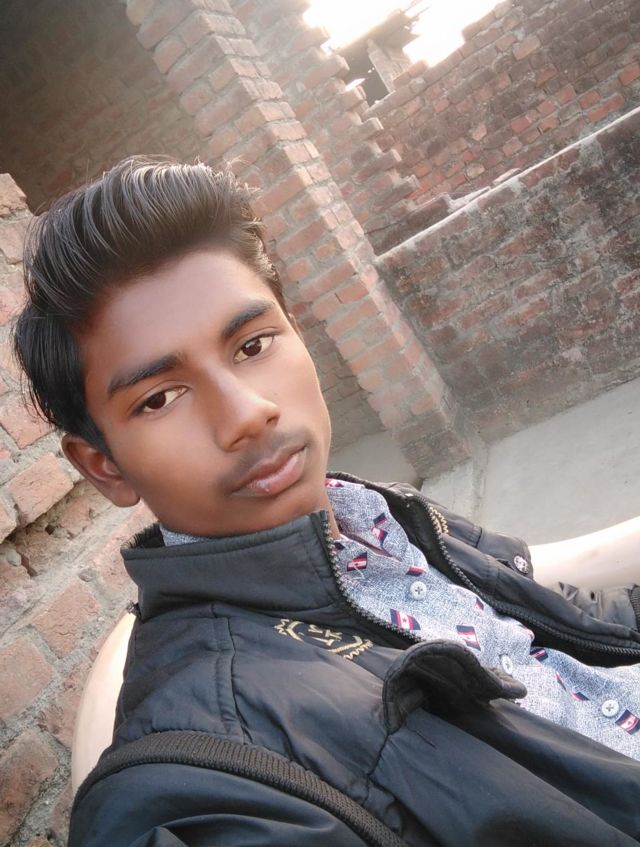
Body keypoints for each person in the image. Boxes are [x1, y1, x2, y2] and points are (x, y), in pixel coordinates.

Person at [13, 157, 640, 846]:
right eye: (160, 398)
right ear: (103, 465)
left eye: (253, 344)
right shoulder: (208, 771)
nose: (248, 413)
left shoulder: (375, 514)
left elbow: (563, 625)